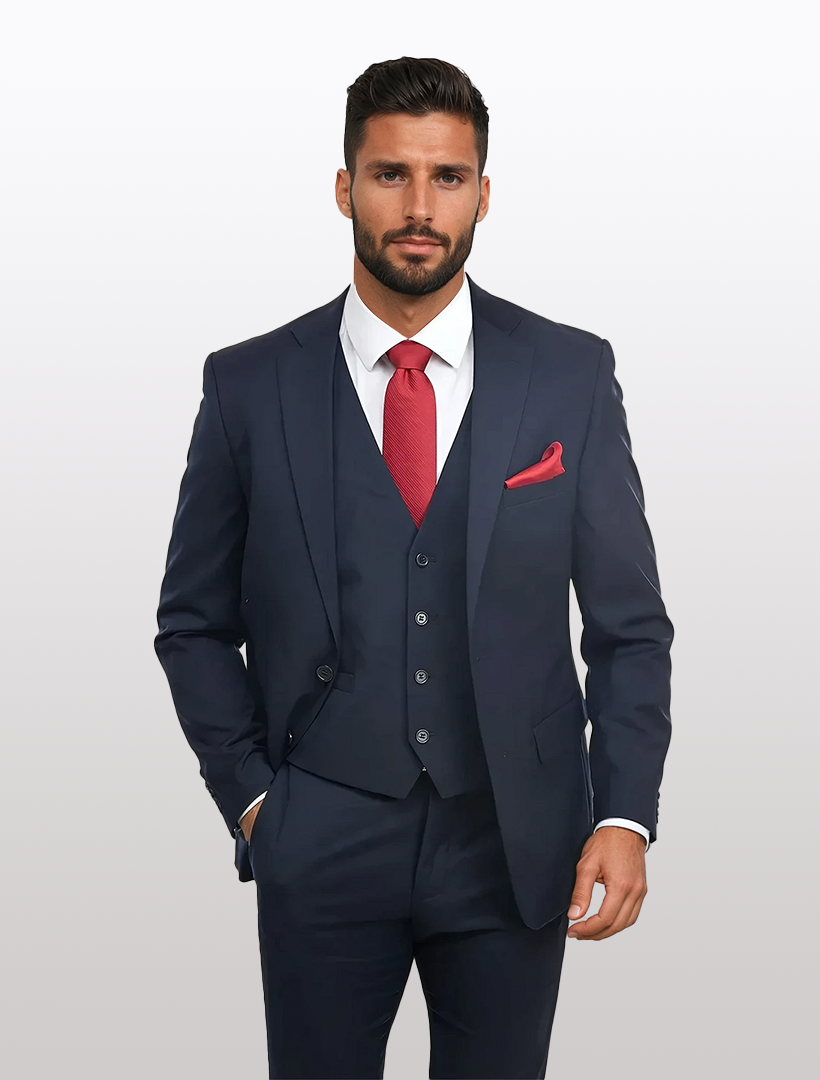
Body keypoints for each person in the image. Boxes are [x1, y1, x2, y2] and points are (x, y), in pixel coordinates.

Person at [154, 55, 673, 1080]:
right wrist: (256, 801)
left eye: (448, 177)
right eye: (391, 174)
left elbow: (628, 626)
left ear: (484, 193)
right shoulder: (248, 385)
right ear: (344, 188)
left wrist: (624, 812)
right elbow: (193, 624)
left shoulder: (569, 373)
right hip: (320, 830)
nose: (420, 207)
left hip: (516, 836)